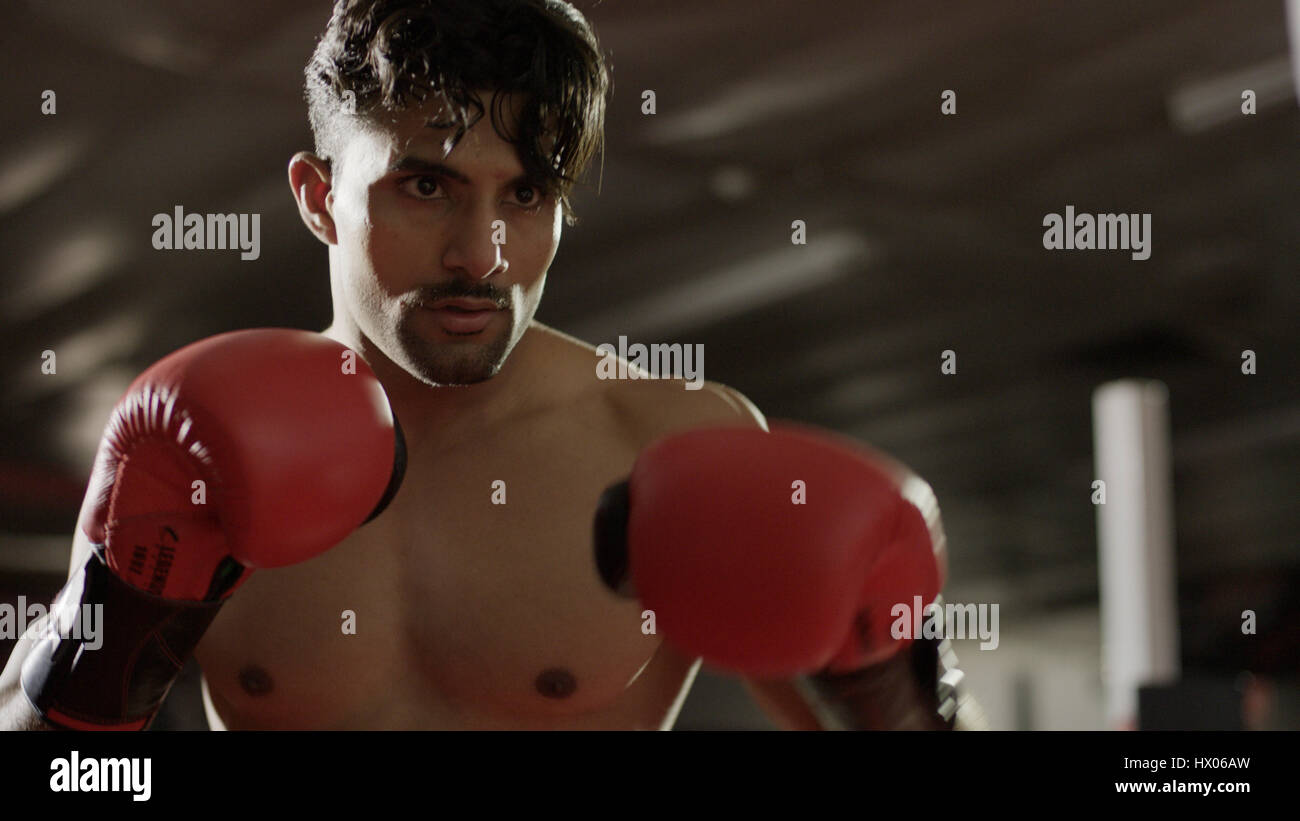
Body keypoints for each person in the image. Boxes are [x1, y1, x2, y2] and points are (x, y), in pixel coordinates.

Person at [0, 0, 975, 731]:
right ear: (317, 197)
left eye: (526, 193)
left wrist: (893, 685)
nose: (483, 254)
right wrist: (112, 612)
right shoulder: (197, 447)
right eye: (427, 185)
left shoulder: (672, 447)